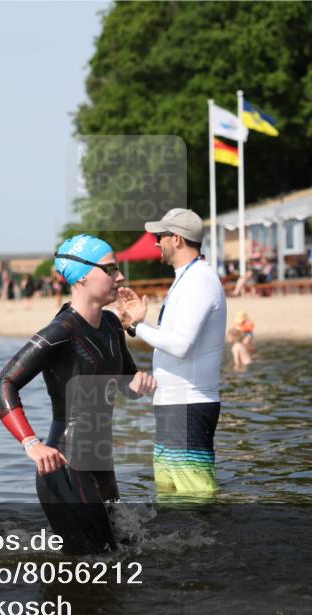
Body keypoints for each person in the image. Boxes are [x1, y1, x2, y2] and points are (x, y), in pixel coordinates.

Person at [0, 234, 156, 554]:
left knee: (124, 552)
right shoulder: (60, 332)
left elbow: (124, 380)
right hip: (64, 466)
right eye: (110, 270)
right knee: (96, 565)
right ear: (80, 276)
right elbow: (2, 386)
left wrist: (136, 385)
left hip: (100, 461)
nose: (119, 277)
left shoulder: (110, 324)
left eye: (118, 269)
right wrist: (32, 444)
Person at [116, 208, 227, 498]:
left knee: (195, 500)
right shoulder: (185, 278)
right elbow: (174, 339)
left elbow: (180, 346)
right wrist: (136, 323)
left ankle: (217, 545)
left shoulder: (200, 280)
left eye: (160, 236)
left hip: (189, 404)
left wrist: (137, 328)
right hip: (173, 403)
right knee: (170, 498)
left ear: (176, 239)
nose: (156, 242)